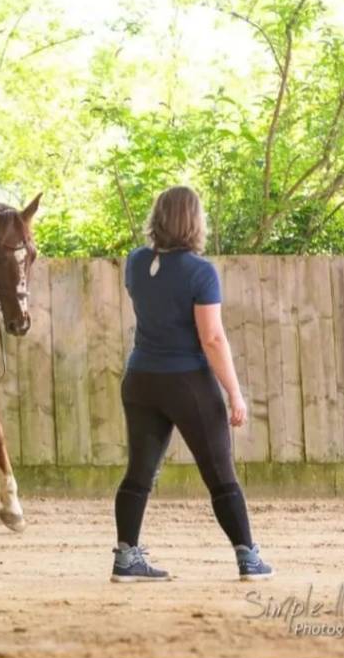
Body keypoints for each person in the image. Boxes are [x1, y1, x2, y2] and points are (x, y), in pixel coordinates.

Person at [111, 186, 273, 582]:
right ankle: (248, 557)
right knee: (219, 474)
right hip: (187, 383)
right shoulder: (200, 272)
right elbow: (212, 338)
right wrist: (234, 393)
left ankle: (126, 557)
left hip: (141, 380)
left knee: (139, 473)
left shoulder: (135, 262)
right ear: (193, 221)